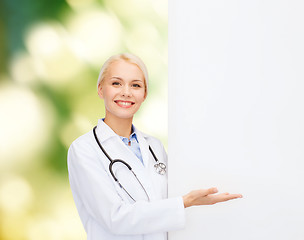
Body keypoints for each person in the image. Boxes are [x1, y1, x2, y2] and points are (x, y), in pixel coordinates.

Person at [67, 53, 242, 240]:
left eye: (135, 85)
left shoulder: (154, 147)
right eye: (116, 83)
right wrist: (184, 202)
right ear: (101, 90)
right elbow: (115, 217)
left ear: (144, 94)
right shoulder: (84, 150)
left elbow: (162, 209)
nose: (126, 92)